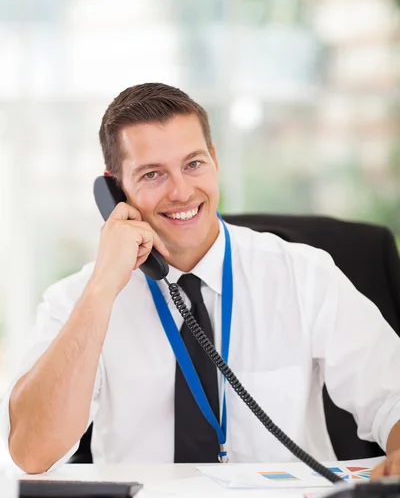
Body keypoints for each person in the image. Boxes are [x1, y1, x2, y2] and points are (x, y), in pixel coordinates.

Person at [1, 82, 399, 477]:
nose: (181, 191)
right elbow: (32, 452)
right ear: (115, 190)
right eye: (152, 174)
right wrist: (102, 290)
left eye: (193, 164)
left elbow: (391, 395)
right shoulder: (78, 298)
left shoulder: (303, 274)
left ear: (215, 160)